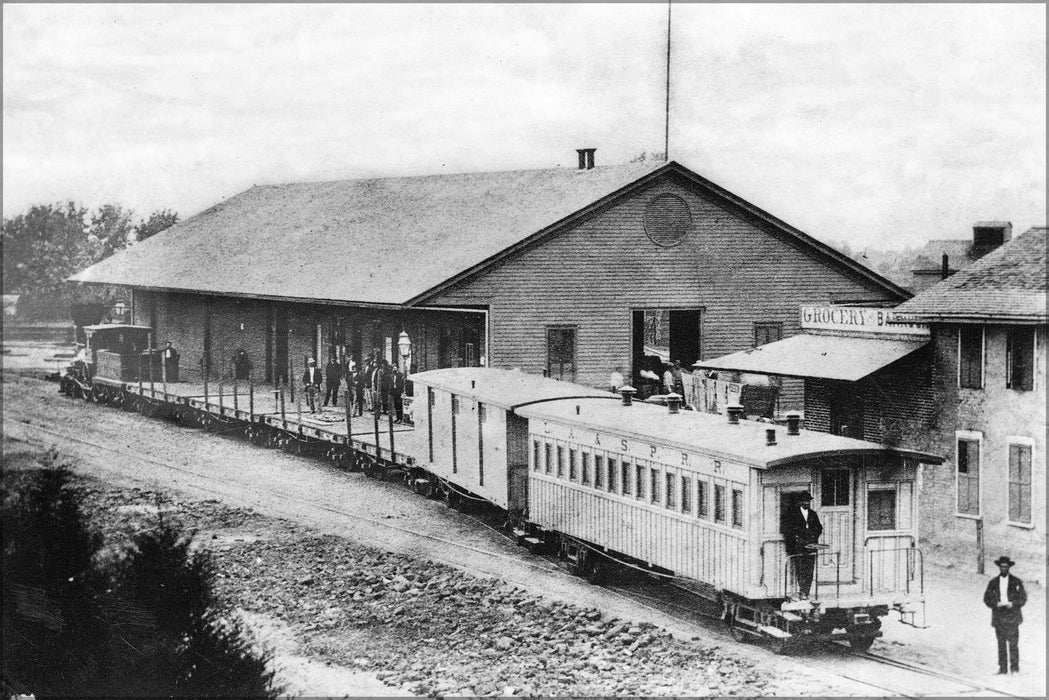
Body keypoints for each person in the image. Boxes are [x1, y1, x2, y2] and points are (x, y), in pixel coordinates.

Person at [983, 555, 1027, 674]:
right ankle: (1002, 669)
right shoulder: (993, 583)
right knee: (1001, 643)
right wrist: (996, 604)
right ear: (999, 567)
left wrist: (1012, 604)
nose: (1004, 569)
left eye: (1006, 567)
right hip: (999, 616)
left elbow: (1023, 598)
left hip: (1012, 616)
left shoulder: (1016, 582)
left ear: (1009, 567)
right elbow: (986, 598)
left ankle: (1014, 669)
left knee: (1013, 643)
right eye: (1001, 567)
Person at [782, 491, 823, 598]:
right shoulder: (792, 514)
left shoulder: (813, 514)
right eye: (804, 501)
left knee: (809, 570)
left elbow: (819, 528)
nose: (807, 503)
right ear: (800, 502)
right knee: (800, 569)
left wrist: (813, 537)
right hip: (798, 547)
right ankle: (802, 591)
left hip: (810, 546)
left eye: (808, 501)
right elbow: (788, 530)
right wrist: (797, 539)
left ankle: (806, 592)